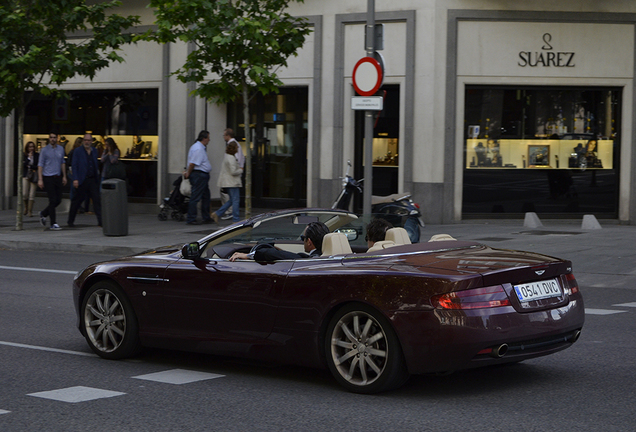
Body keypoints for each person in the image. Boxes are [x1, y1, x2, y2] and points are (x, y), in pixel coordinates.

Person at [230, 221, 330, 262]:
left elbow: (268, 253)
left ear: (309, 242)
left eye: (302, 238)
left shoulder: (309, 260)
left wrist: (247, 255)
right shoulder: (331, 256)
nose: (302, 241)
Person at [67, 134, 102, 227]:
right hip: (82, 179)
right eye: (85, 140)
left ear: (91, 141)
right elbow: (74, 165)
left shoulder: (94, 151)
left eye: (89, 140)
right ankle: (70, 221)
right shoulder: (78, 151)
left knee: (96, 200)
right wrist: (75, 178)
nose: (87, 142)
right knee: (77, 200)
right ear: (83, 141)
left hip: (92, 179)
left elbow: (95, 164)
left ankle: (101, 221)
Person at [37, 132, 67, 230]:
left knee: (58, 200)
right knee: (52, 199)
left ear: (57, 138)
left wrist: (64, 176)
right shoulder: (44, 150)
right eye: (51, 137)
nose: (53, 139)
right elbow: (40, 165)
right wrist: (40, 179)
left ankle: (44, 213)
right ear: (49, 138)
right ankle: (53, 223)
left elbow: (62, 162)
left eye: (54, 137)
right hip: (48, 177)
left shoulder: (61, 149)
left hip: (57, 177)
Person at [184, 130, 213, 225]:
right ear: (204, 138)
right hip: (199, 175)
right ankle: (191, 218)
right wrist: (188, 173)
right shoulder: (198, 148)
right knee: (196, 197)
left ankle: (206, 217)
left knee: (206, 197)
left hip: (201, 175)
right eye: (208, 138)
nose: (209, 140)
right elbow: (192, 163)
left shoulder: (199, 147)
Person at [210, 141, 243, 223]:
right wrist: (240, 170)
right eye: (237, 148)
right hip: (232, 182)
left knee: (232, 200)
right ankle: (236, 219)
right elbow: (233, 171)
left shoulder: (227, 157)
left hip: (228, 182)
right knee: (235, 200)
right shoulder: (231, 158)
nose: (238, 149)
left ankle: (217, 213)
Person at [220, 128, 245, 220]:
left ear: (228, 135)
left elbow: (236, 161)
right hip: (232, 176)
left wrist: (240, 170)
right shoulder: (233, 144)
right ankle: (221, 213)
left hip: (232, 177)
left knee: (233, 199)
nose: (223, 137)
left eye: (224, 135)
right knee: (234, 199)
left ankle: (233, 216)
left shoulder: (233, 145)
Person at [22, 141, 39, 217]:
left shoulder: (37, 155)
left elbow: (38, 165)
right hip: (26, 175)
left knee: (32, 194)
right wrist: (29, 158)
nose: (31, 148)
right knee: (25, 194)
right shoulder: (24, 155)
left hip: (34, 176)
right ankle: (26, 207)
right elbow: (23, 165)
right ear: (27, 148)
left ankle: (30, 211)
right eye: (30, 147)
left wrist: (30, 166)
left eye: (32, 147)